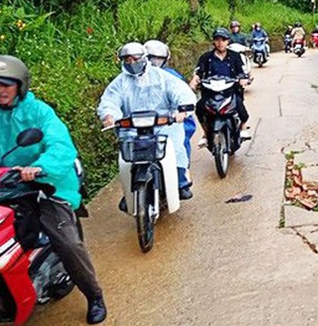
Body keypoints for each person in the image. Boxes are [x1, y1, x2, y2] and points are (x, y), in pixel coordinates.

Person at [0, 55, 107, 325]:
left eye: (6, 84)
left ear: (20, 86)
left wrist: (38, 167)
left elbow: (61, 146)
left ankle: (94, 295)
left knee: (66, 241)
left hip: (43, 184)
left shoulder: (39, 113)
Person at [98, 42, 196, 200]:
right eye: (127, 60)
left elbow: (180, 92)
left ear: (143, 58)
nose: (131, 63)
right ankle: (130, 194)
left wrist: (182, 110)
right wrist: (109, 115)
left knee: (176, 150)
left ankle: (180, 183)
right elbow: (110, 100)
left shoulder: (162, 76)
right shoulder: (120, 82)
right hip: (133, 127)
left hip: (164, 124)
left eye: (134, 59)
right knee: (127, 159)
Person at [143, 40, 197, 179]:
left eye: (158, 58)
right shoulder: (133, 77)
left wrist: (181, 112)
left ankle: (182, 178)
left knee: (181, 138)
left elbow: (183, 96)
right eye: (151, 58)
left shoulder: (173, 77)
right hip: (143, 121)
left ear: (165, 60)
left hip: (169, 120)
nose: (155, 62)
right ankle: (132, 191)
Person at [190, 28, 251, 143]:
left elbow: (242, 71)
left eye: (223, 39)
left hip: (230, 90)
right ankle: (205, 133)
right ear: (213, 41)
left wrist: (243, 79)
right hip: (211, 92)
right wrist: (194, 80)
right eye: (217, 39)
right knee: (199, 108)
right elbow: (198, 72)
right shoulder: (206, 57)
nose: (220, 42)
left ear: (228, 41)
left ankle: (243, 127)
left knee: (239, 103)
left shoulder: (235, 56)